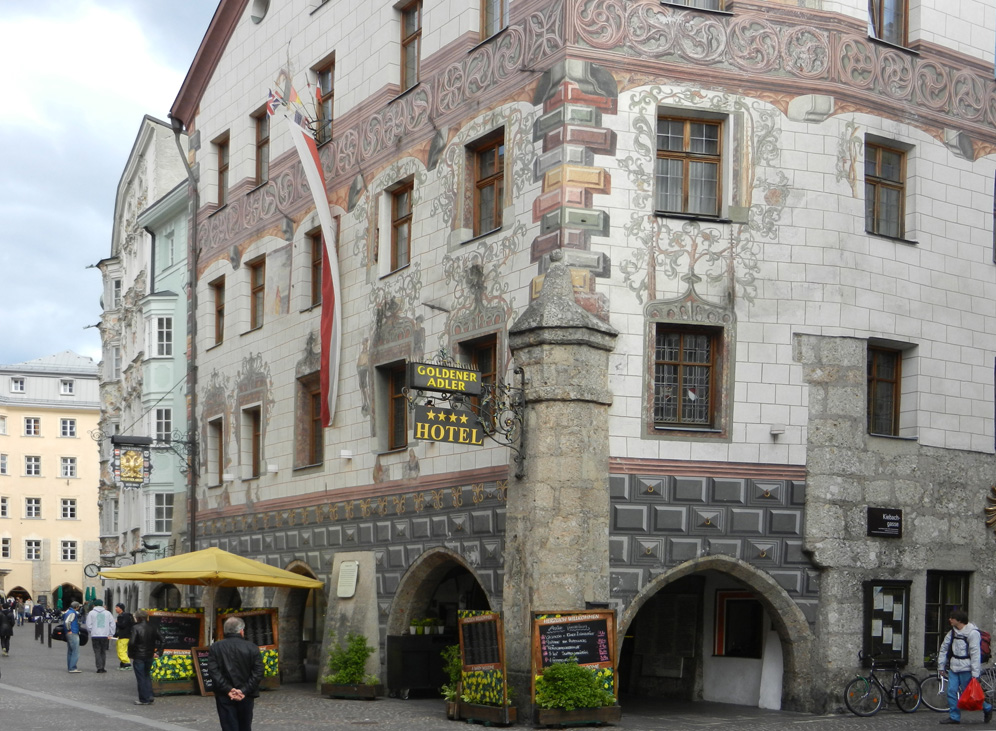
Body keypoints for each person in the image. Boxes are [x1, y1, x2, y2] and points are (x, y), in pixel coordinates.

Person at [207, 616, 264, 731]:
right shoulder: (252, 647)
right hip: (246, 695)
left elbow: (213, 671)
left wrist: (228, 689)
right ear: (241, 630)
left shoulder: (216, 647)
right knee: (245, 726)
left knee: (228, 726)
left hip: (224, 694)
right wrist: (244, 690)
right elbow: (258, 671)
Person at [938, 609, 992, 725]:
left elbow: (975, 654)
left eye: (952, 618)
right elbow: (944, 648)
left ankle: (987, 708)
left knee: (970, 694)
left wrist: (975, 674)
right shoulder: (952, 633)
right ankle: (954, 717)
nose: (950, 620)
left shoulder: (972, 634)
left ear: (959, 620)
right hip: (954, 667)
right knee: (951, 691)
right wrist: (941, 666)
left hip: (966, 668)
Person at [128, 609, 164, 705]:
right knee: (146, 675)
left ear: (138, 618)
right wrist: (159, 652)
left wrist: (130, 654)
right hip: (149, 654)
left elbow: (131, 642)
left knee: (141, 677)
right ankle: (149, 695)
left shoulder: (136, 628)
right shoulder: (153, 627)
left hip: (139, 655)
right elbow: (163, 640)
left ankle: (144, 699)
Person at [86, 599, 116, 673]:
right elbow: (112, 624)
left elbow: (88, 625)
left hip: (95, 635)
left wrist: (91, 631)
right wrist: (111, 633)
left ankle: (99, 667)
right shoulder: (107, 613)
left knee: (97, 651)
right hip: (105, 635)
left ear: (94, 605)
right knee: (103, 651)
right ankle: (103, 667)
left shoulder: (91, 613)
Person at [114, 603, 135, 670]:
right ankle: (123, 663)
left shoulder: (124, 616)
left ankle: (127, 663)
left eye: (117, 607)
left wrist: (116, 622)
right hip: (121, 636)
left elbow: (123, 625)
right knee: (121, 650)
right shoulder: (121, 615)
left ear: (121, 608)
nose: (115, 609)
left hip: (124, 636)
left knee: (121, 650)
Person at [63, 601, 83, 673]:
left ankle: (70, 666)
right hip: (73, 632)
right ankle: (72, 667)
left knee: (70, 651)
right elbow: (67, 622)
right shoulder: (72, 612)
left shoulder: (68, 611)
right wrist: (69, 630)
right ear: (76, 607)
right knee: (75, 651)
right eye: (78, 606)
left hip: (68, 633)